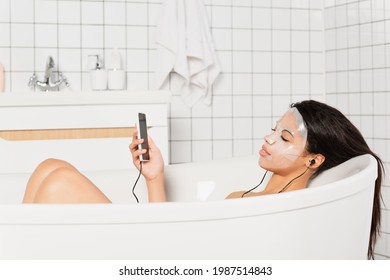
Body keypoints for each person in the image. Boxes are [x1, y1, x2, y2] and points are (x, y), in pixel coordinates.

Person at [22, 100, 384, 259]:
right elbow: (171, 243)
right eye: (274, 129)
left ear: (314, 160)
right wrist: (154, 175)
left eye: (285, 138)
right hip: (157, 258)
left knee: (58, 185)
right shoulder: (243, 197)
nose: (269, 138)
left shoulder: (284, 211)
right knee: (50, 166)